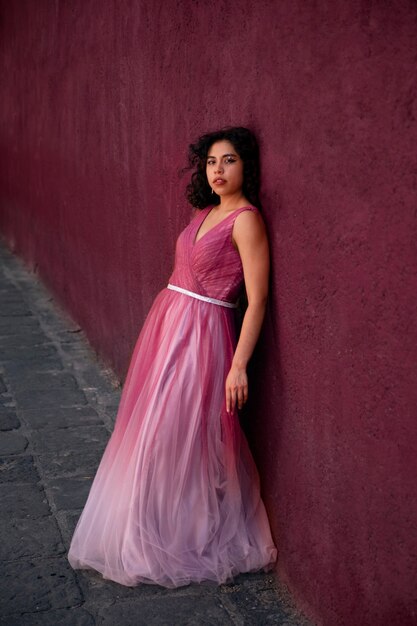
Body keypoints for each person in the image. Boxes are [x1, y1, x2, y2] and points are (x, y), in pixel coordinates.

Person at [68, 126, 277, 588]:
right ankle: (144, 528)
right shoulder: (204, 210)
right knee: (150, 428)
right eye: (211, 162)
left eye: (229, 160)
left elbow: (257, 300)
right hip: (169, 328)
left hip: (204, 336)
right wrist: (164, 326)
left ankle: (181, 533)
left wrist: (238, 364)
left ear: (247, 166)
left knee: (180, 432)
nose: (218, 170)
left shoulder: (245, 219)